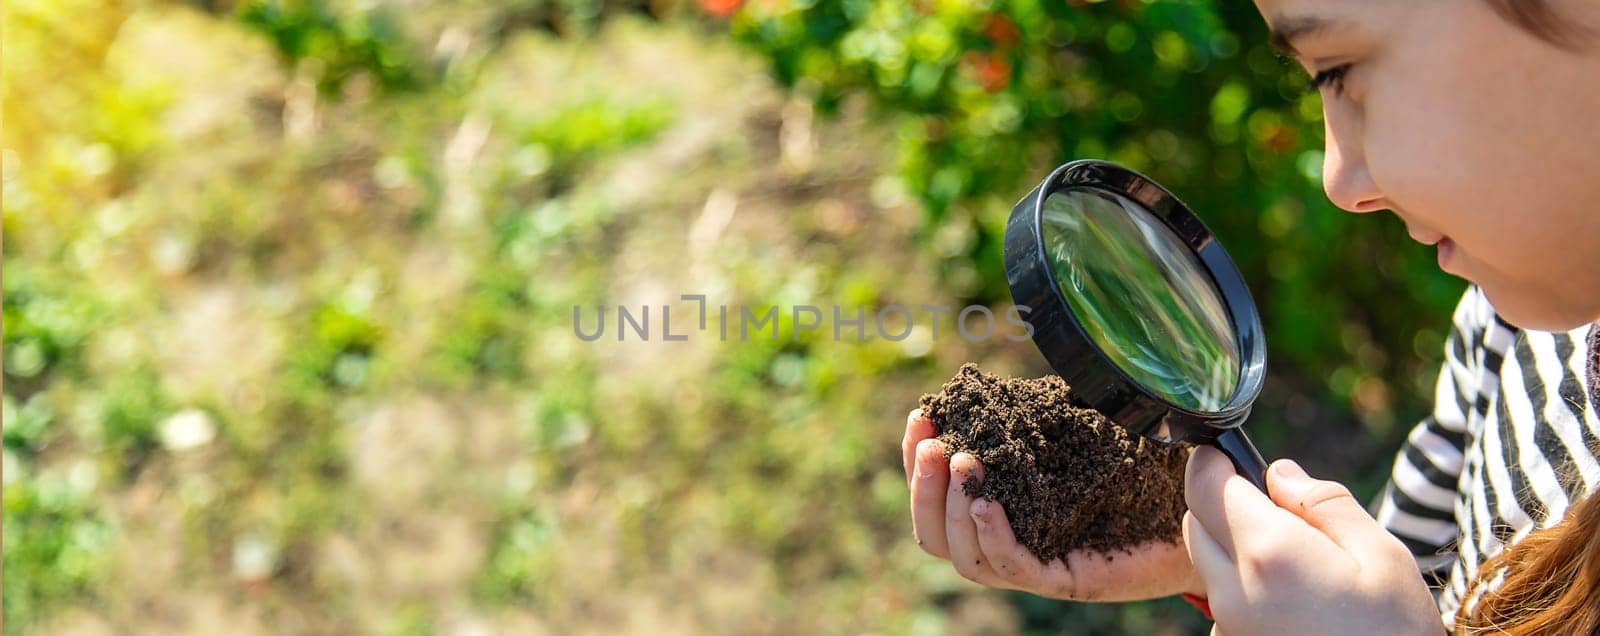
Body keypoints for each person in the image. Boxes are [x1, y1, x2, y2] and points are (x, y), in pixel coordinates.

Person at [901, 1, 1600, 633]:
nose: (1339, 179)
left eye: (1343, 71)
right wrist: (1215, 561)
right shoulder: (1517, 321)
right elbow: (1429, 577)